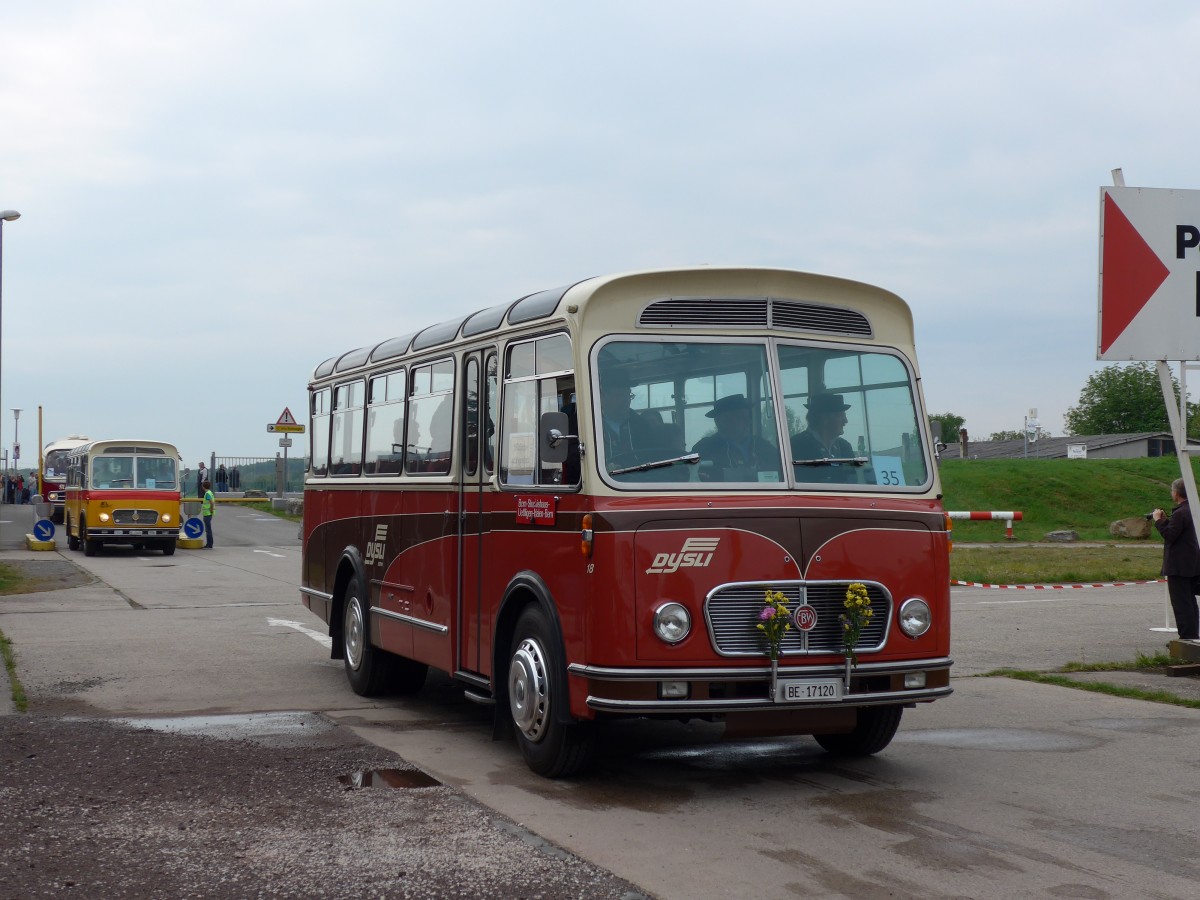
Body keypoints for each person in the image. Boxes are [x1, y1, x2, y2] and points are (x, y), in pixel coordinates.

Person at [1152, 478, 1200, 640]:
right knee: (1189, 601)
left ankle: (1187, 638)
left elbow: (1170, 535)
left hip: (1178, 565)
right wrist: (1167, 521)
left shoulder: (1180, 513)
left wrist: (1159, 521)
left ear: (1176, 493)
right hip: (1191, 563)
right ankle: (1192, 635)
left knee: (1181, 604)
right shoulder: (1192, 510)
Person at [691, 393, 780, 477]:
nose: (747, 422)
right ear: (720, 421)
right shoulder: (704, 448)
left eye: (748, 417)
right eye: (740, 417)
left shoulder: (762, 446)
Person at [791, 392, 858, 482]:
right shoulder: (796, 445)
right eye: (841, 416)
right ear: (825, 419)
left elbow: (853, 480)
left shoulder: (845, 447)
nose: (845, 421)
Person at [597, 368, 661, 460]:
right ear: (603, 396)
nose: (626, 401)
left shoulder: (641, 425)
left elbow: (654, 457)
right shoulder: (591, 425)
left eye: (628, 395)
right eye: (619, 396)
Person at [201, 479, 216, 549]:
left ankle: (209, 544)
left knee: (208, 530)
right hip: (208, 513)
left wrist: (211, 510)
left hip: (207, 514)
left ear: (203, 487)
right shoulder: (210, 492)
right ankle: (210, 544)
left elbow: (211, 503)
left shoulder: (207, 494)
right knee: (208, 529)